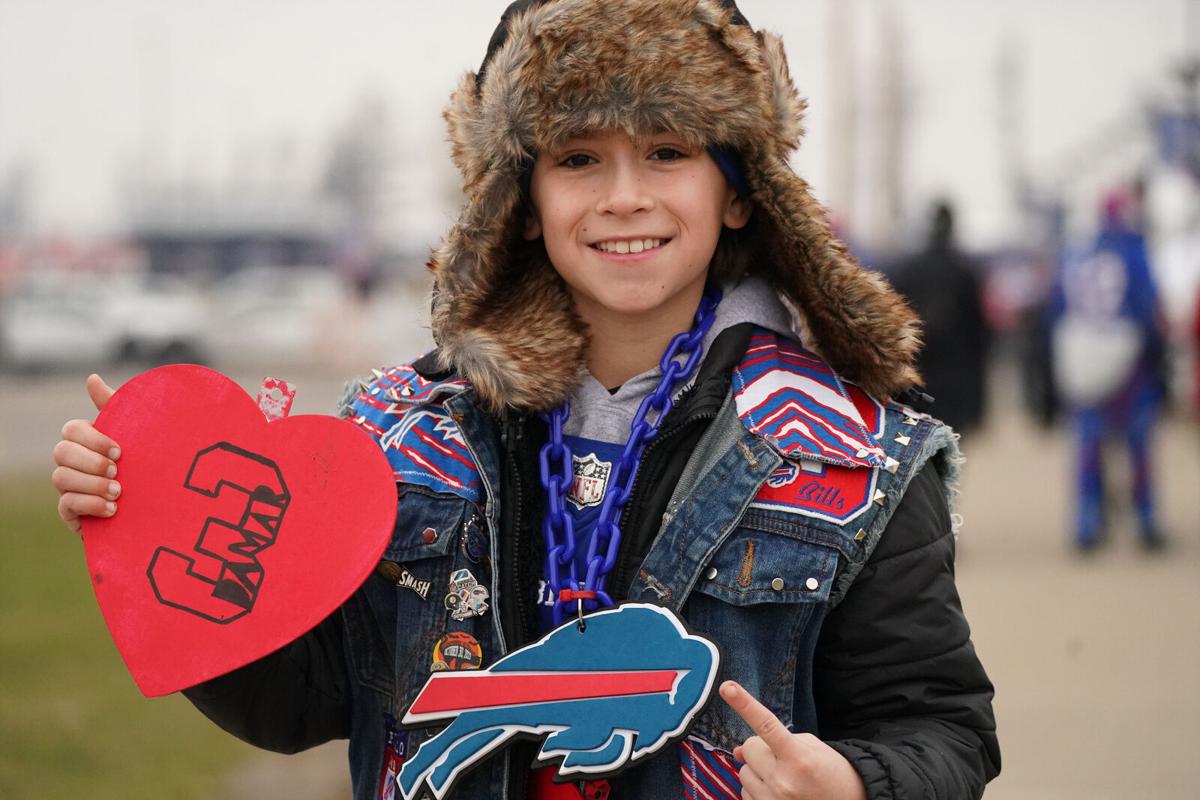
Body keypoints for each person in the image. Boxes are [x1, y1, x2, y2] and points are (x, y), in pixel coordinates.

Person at [52, 2, 1000, 798]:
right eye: (578, 158)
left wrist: (862, 783)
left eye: (667, 150)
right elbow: (304, 698)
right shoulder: (399, 435)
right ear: (524, 196)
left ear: (739, 190)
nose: (624, 197)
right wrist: (154, 523)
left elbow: (941, 727)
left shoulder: (854, 459)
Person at [1048, 185, 1168, 551]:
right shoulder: (1134, 252)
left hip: (1083, 356)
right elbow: (1149, 311)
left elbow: (1055, 311)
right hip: (1128, 359)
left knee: (1088, 442)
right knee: (1138, 443)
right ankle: (1146, 520)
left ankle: (1087, 520)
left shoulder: (1075, 253)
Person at [892, 200, 990, 436]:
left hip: (919, 374)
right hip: (956, 376)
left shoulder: (908, 269)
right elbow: (979, 336)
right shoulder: (965, 271)